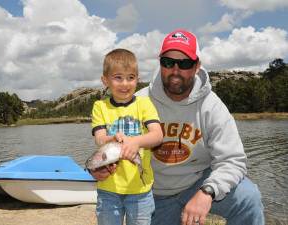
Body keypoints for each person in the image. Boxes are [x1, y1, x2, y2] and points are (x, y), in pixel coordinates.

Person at [91, 30, 265, 225]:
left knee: (248, 199)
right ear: (160, 63)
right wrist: (97, 169)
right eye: (167, 62)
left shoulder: (213, 106)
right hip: (153, 194)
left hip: (196, 183)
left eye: (184, 63)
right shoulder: (136, 101)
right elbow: (109, 144)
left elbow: (233, 160)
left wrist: (207, 192)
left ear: (197, 66)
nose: (175, 70)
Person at [90, 48, 163, 225]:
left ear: (137, 79)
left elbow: (158, 135)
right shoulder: (100, 107)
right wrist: (111, 139)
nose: (125, 84)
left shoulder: (145, 105)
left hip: (141, 190)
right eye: (118, 77)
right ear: (105, 80)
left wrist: (135, 142)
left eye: (131, 77)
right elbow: (99, 138)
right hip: (108, 189)